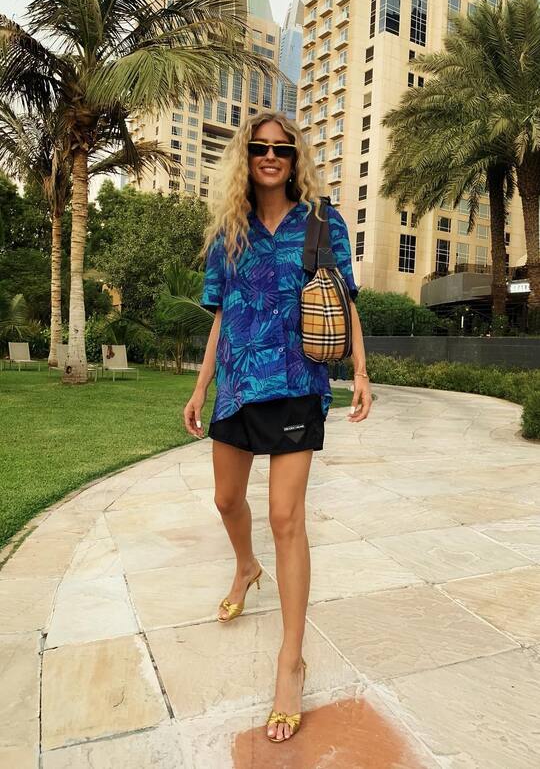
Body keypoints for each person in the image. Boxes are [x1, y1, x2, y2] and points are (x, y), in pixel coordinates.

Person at [183, 111, 372, 743]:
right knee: (226, 500)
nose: (271, 157)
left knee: (286, 518)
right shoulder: (228, 233)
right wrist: (201, 387)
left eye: (282, 150)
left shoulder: (321, 221)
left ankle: (291, 661)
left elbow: (345, 300)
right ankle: (245, 567)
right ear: (247, 155)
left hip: (296, 384)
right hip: (237, 384)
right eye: (261, 148)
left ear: (295, 160)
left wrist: (361, 372)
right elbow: (221, 316)